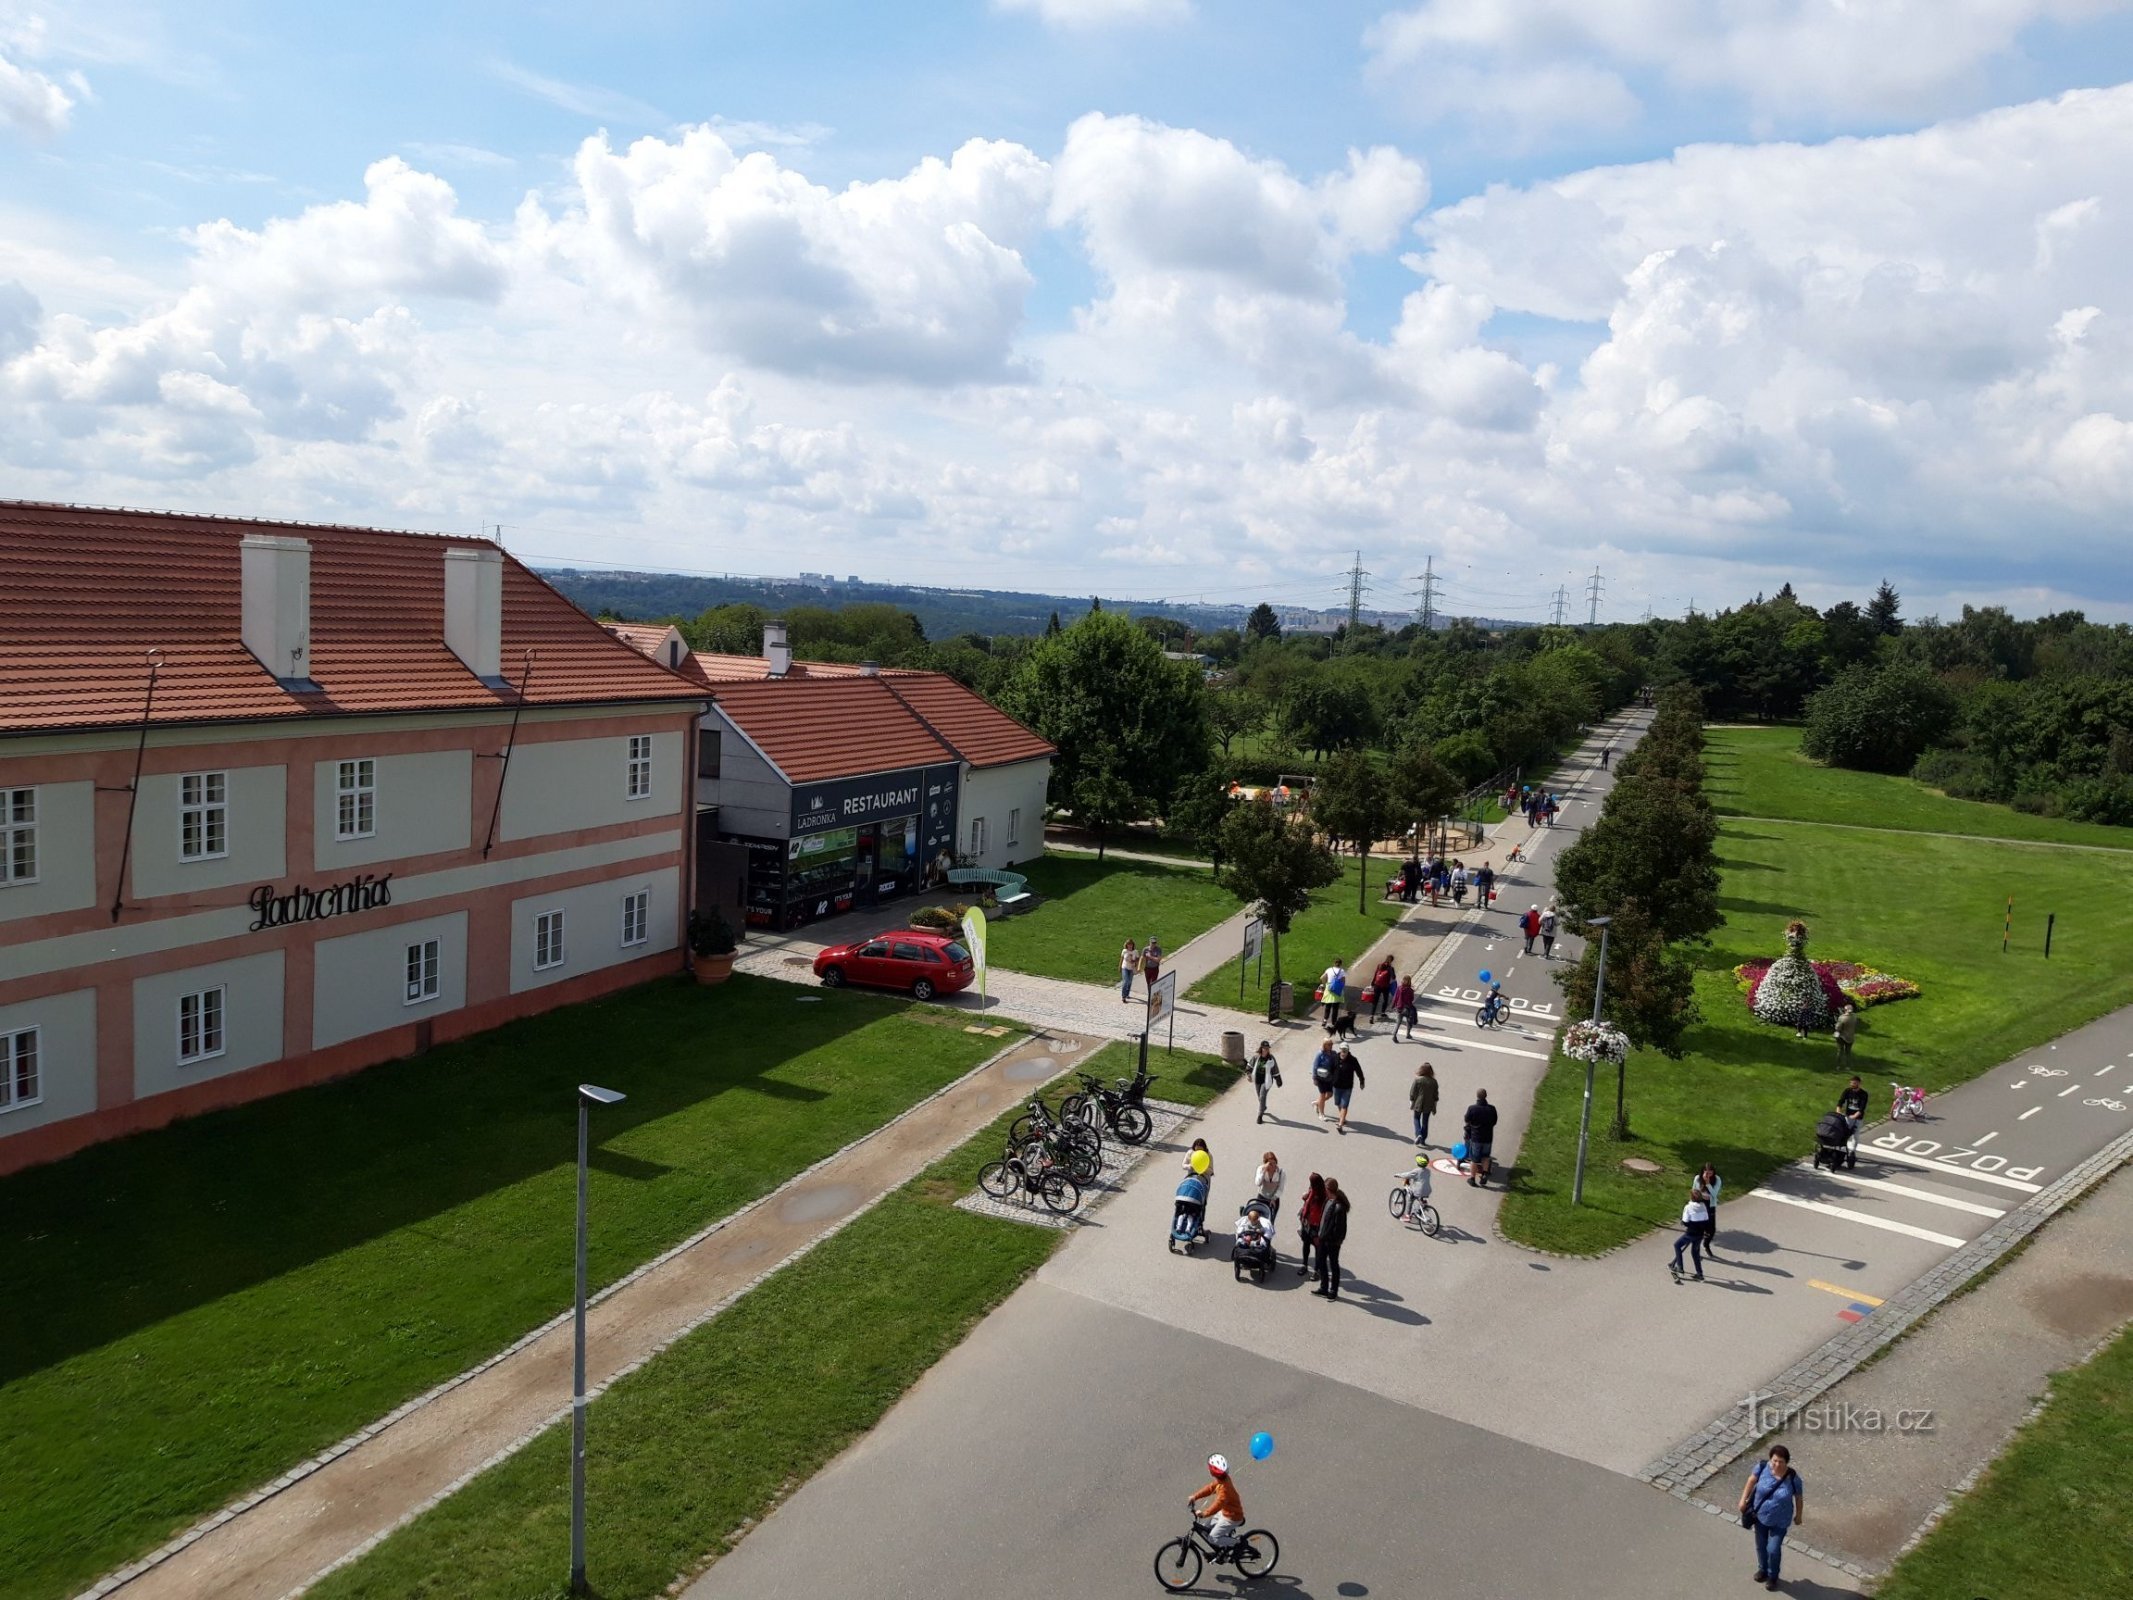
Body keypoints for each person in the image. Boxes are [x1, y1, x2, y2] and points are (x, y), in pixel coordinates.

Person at [1737, 1445, 1806, 1589]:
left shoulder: (1793, 1478)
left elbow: (1799, 1498)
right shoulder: (1762, 1467)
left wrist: (1798, 1516)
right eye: (1774, 1460)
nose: (1777, 1464)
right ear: (1770, 1459)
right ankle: (1762, 1570)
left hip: (1780, 1520)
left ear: (1786, 1462)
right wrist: (1743, 1500)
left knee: (1773, 1549)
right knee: (1761, 1546)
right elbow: (1751, 1480)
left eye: (1781, 1461)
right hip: (1760, 1515)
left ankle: (1773, 1576)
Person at [1188, 1453, 1245, 1550]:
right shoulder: (1222, 1479)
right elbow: (1210, 1488)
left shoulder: (1225, 1490)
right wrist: (1195, 1496)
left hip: (1232, 1517)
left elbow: (1218, 1505)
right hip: (1225, 1512)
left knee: (1212, 1538)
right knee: (1204, 1530)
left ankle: (1238, 1542)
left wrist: (1204, 1514)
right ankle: (1222, 1549)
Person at [1312, 1177, 1351, 1299]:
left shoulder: (1339, 1208)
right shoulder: (1328, 1201)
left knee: (1334, 1265)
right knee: (1321, 1262)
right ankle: (1324, 1288)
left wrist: (1333, 1241)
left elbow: (1340, 1229)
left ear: (1329, 1190)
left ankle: (1333, 1291)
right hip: (1323, 1239)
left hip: (1332, 1243)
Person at [1671, 1184, 1712, 1281]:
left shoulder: (1688, 1207)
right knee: (1695, 1253)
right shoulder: (1703, 1206)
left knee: (1677, 1245)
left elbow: (1685, 1222)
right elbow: (1706, 1219)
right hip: (1700, 1234)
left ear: (1691, 1197)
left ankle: (1680, 1268)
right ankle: (1699, 1273)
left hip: (1691, 1233)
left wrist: (1682, 1221)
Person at [1463, 1089, 1498, 1186]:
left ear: (1477, 1096)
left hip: (1476, 1137)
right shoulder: (1492, 1109)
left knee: (1474, 1159)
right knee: (1485, 1157)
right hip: (1488, 1137)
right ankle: (1484, 1174)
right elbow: (1494, 1121)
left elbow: (1467, 1119)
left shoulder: (1472, 1108)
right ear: (1486, 1096)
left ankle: (1472, 1178)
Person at [1296, 1172, 1327, 1276]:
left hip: (1317, 1226)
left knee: (1318, 1248)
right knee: (1306, 1245)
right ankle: (1304, 1265)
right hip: (1307, 1223)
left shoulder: (1324, 1196)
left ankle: (1316, 1270)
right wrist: (1305, 1197)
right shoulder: (1312, 1190)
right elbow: (1307, 1203)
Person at [1330, 1044, 1366, 1133]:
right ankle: (1343, 1118)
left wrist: (1362, 1081)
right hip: (1336, 1086)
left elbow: (1359, 1071)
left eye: (1345, 1050)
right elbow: (1330, 1070)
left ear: (1348, 1051)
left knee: (1344, 1105)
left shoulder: (1353, 1060)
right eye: (1342, 1050)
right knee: (1338, 1103)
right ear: (1340, 1050)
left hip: (1347, 1087)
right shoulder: (1335, 1058)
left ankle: (1340, 1124)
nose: (1343, 1052)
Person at [1249, 1041, 1282, 1124]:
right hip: (1257, 1080)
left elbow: (1275, 1069)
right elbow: (1249, 1067)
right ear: (1261, 1048)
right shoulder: (1256, 1057)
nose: (1266, 1050)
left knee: (1262, 1096)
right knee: (1259, 1097)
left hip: (1267, 1081)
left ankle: (1260, 1116)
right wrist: (1248, 1074)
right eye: (1265, 1048)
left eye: (1267, 1049)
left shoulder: (1271, 1058)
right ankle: (1263, 1107)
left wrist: (1278, 1080)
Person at [1697, 1161, 1725, 1258]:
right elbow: (1694, 1191)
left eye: (1710, 1173)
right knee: (1698, 1229)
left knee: (1711, 1229)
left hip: (1710, 1205)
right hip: (1700, 1205)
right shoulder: (1697, 1178)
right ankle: (1696, 1250)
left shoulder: (1717, 1180)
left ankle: (1706, 1244)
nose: (1708, 1175)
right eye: (1706, 1173)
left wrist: (1708, 1184)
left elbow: (1714, 1194)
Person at [1409, 1061, 1439, 1146]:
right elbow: (1435, 1095)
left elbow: (1413, 1092)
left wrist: (1411, 1101)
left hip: (1419, 1103)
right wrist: (1435, 1105)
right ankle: (1423, 1139)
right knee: (1425, 1121)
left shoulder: (1418, 1080)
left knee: (1416, 1118)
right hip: (1428, 1104)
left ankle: (1418, 1134)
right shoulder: (1434, 1082)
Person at [1254, 1150, 1285, 1221]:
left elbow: (1280, 1188)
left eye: (1274, 1163)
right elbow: (1258, 1183)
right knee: (1257, 1219)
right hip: (1262, 1197)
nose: (1273, 1166)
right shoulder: (1261, 1169)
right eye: (1270, 1164)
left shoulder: (1281, 1173)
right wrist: (1263, 1171)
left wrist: (1274, 1198)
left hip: (1273, 1200)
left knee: (1270, 1221)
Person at [1392, 971, 1418, 1041]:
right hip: (1407, 1008)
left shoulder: (1399, 988)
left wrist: (1393, 1005)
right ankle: (1408, 1034)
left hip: (1399, 1008)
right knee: (1409, 1021)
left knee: (1398, 1022)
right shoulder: (1410, 990)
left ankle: (1394, 1035)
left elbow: (1395, 997)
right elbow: (1411, 999)